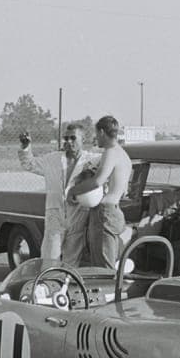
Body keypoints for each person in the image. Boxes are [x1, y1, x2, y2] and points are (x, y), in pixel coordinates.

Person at [18, 123, 99, 264]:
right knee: (50, 256)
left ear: (83, 139)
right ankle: (47, 283)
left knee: (72, 259)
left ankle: (67, 284)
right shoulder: (53, 159)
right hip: (55, 214)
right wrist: (26, 147)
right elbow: (29, 164)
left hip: (78, 214)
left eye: (73, 138)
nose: (68, 142)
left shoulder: (93, 160)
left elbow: (110, 169)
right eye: (66, 138)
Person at [72, 115, 132, 269]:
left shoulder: (110, 152)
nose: (96, 138)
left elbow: (97, 181)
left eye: (96, 133)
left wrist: (73, 191)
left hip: (104, 213)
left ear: (102, 132)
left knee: (102, 266)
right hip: (116, 212)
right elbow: (124, 191)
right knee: (112, 263)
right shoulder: (124, 156)